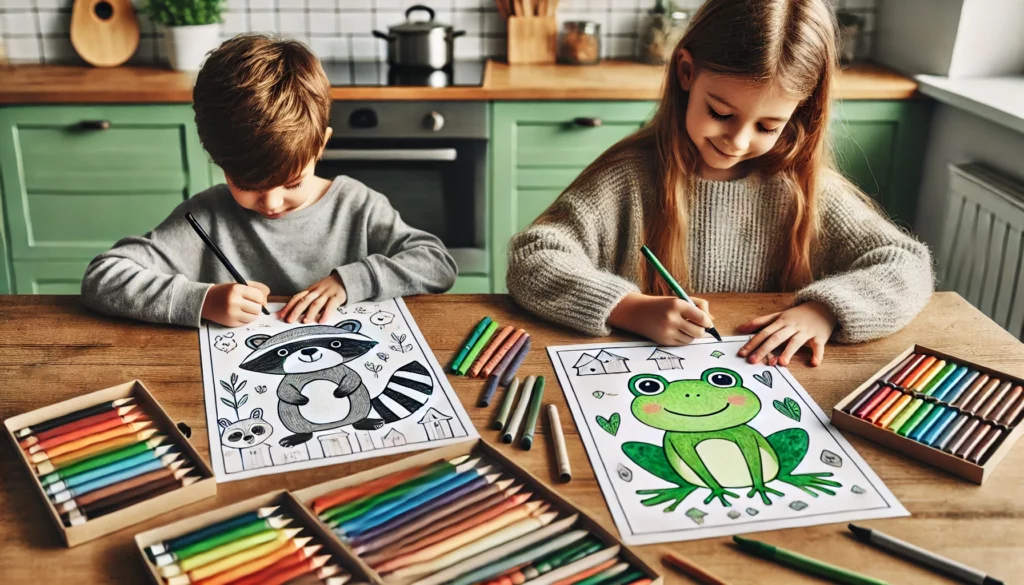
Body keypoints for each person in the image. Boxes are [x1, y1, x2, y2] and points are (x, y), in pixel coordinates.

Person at [506, 0, 933, 367]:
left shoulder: (802, 188)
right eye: (721, 113)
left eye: (768, 125)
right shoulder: (628, 178)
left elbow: (908, 266)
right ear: (687, 72)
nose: (739, 140)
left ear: (798, 114)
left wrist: (826, 311)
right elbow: (533, 257)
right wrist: (627, 308)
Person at [82, 34, 457, 328]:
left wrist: (352, 281)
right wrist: (203, 300)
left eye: (291, 183)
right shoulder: (205, 219)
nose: (272, 203)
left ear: (321, 145)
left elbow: (437, 264)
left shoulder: (357, 206)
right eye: (248, 184)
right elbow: (103, 277)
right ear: (219, 162)